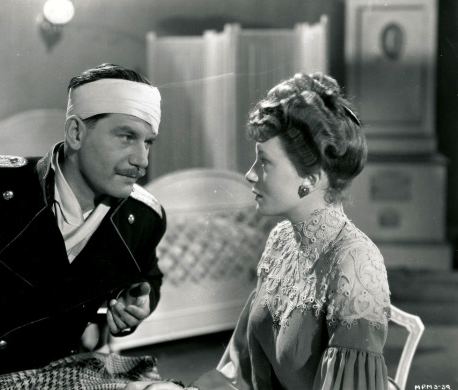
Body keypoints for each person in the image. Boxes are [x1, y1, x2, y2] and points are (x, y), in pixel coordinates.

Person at [124, 72, 391, 390]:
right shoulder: (282, 238)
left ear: (311, 179)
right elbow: (244, 365)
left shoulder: (356, 263)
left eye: (264, 163)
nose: (249, 175)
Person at [0, 63, 167, 378]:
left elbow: (148, 276)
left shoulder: (143, 219)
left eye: (148, 142)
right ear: (75, 134)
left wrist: (140, 300)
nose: (142, 160)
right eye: (126, 137)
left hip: (59, 375)